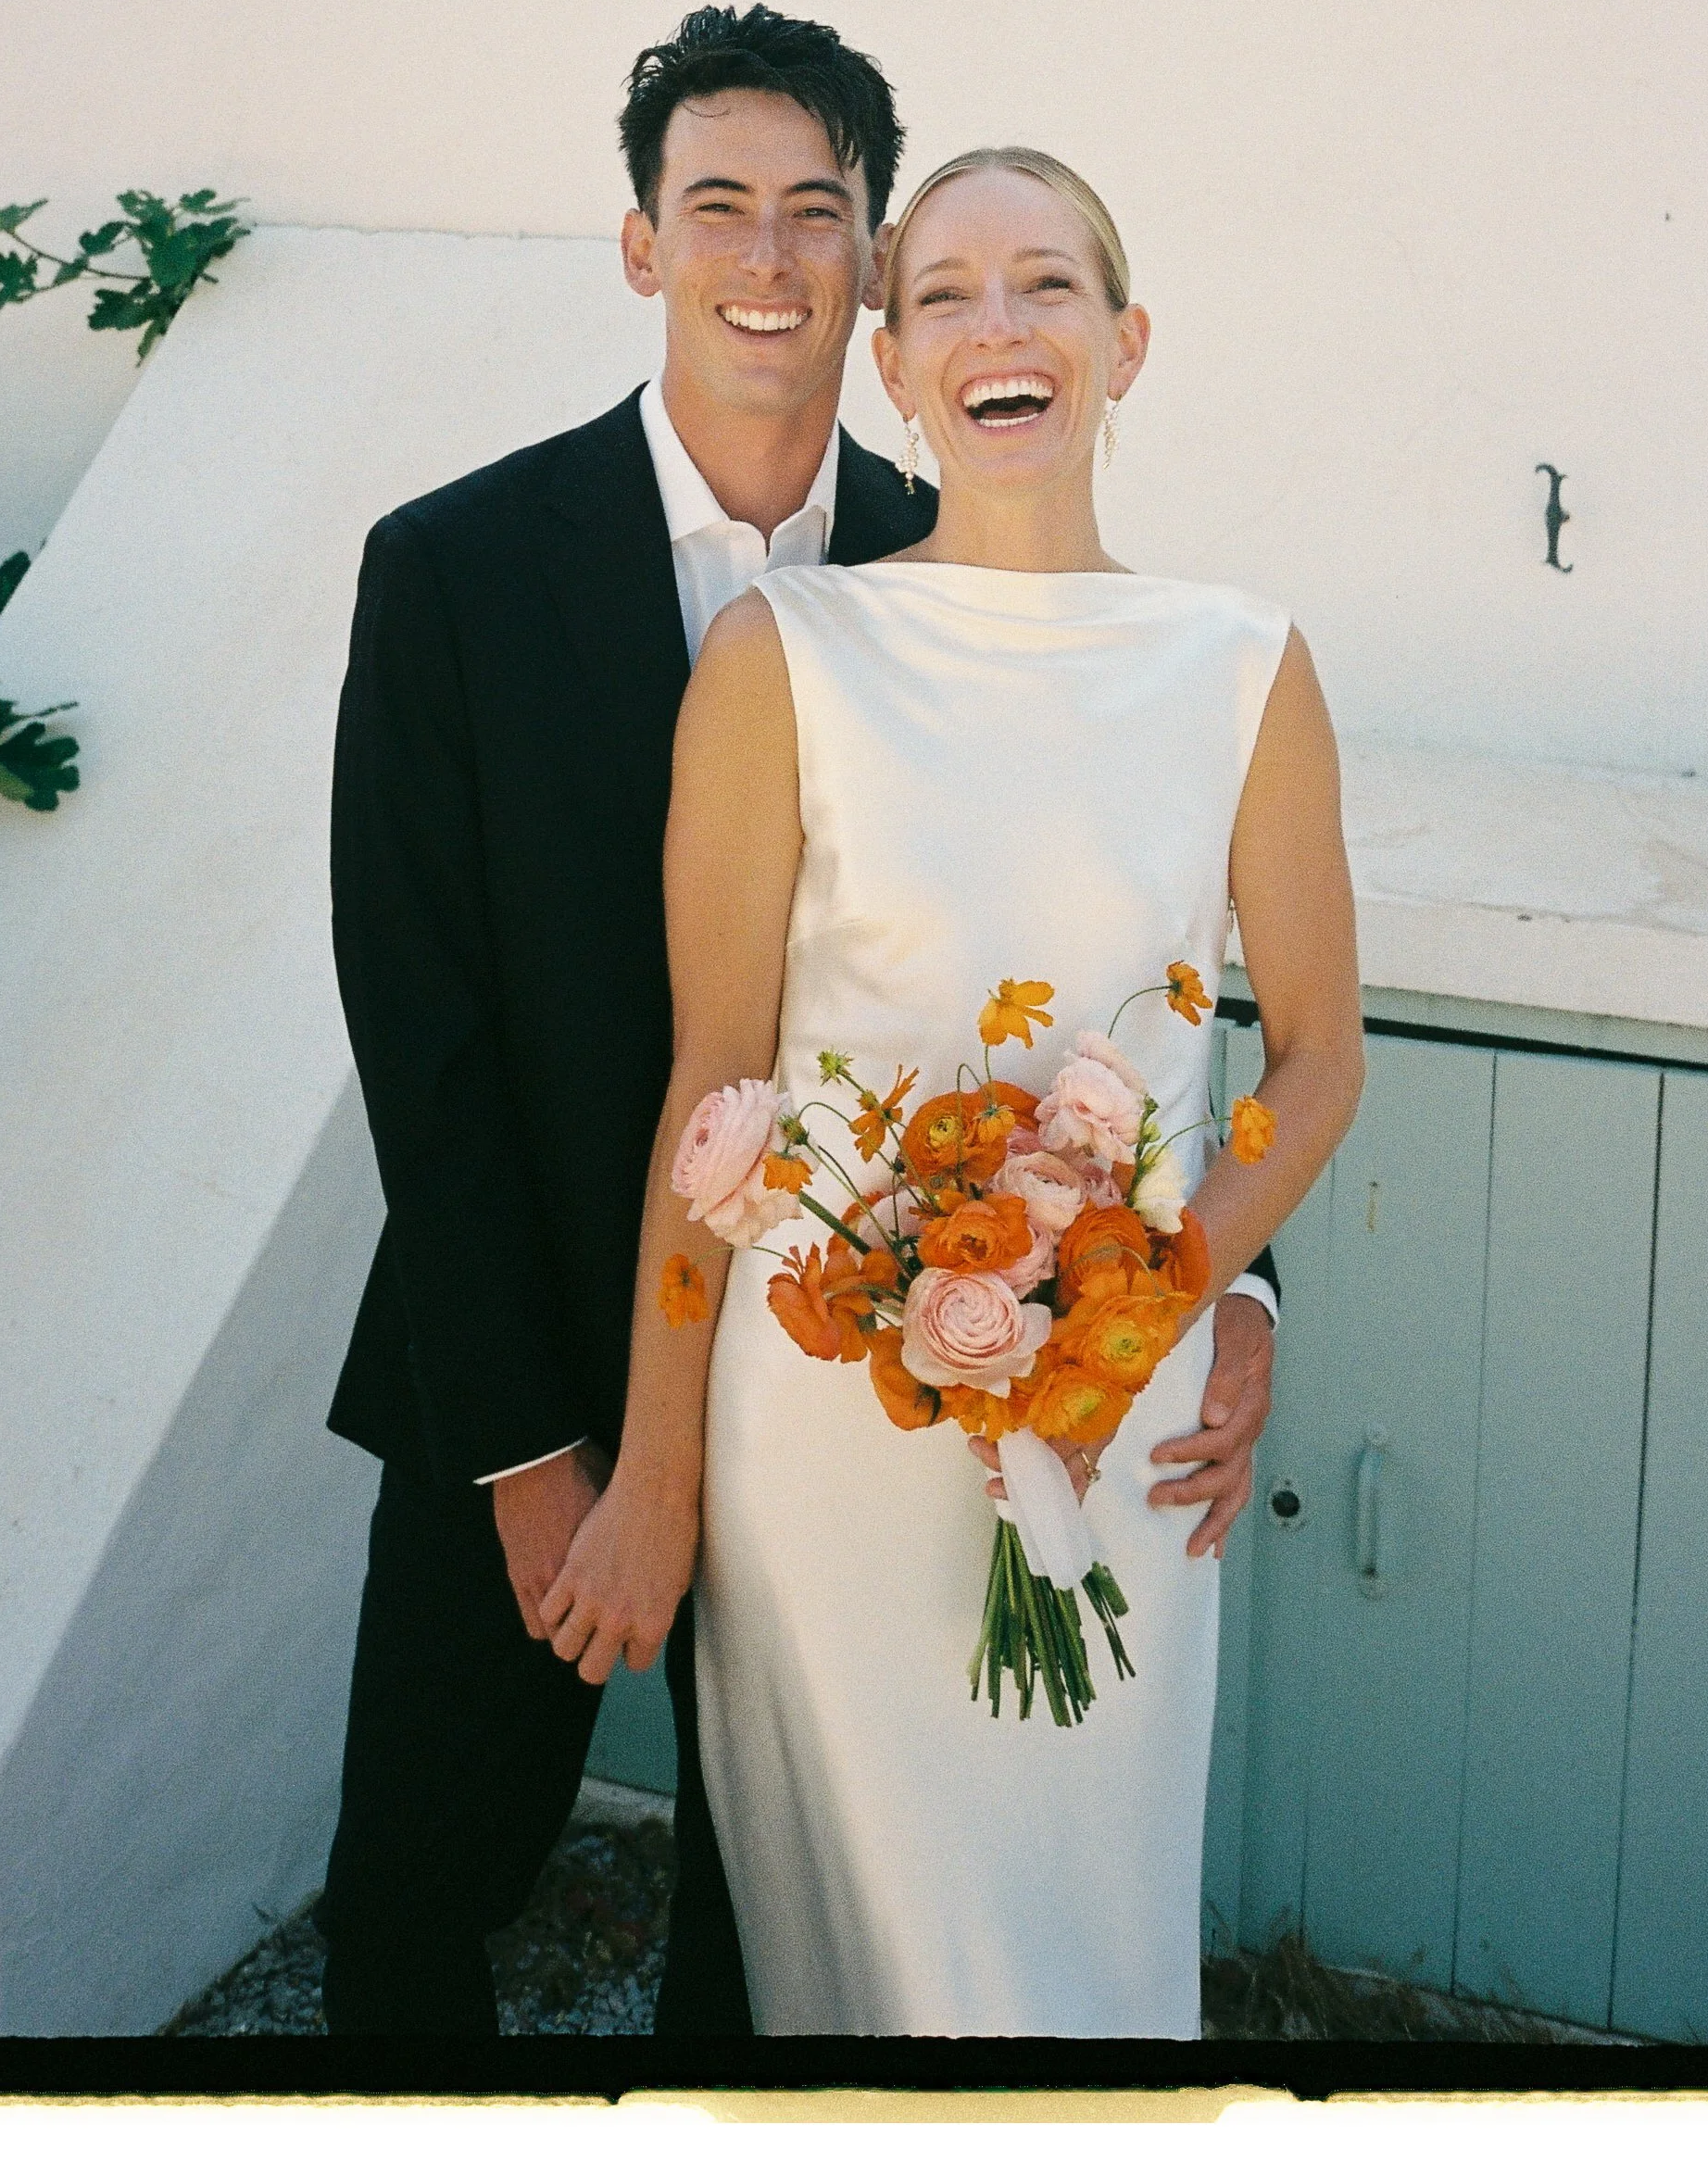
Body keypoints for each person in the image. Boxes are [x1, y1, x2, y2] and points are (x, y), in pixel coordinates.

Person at [317, 20, 1283, 2055]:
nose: (769, 253)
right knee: (421, 1898)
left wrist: (1220, 1281)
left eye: (818, 214)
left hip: (855, 1401)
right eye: (717, 206)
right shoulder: (453, 569)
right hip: (519, 1375)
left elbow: (1127, 947)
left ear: (866, 272)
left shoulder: (972, 559)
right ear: (640, 245)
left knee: (782, 1944)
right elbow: (427, 1045)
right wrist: (527, 1451)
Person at [546, 145, 1364, 2038]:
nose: (998, 325)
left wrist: (1156, 1309)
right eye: (944, 297)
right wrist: (657, 1468)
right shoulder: (784, 656)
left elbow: (1315, 1061)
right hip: (819, 1429)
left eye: (1048, 286)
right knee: (866, 1984)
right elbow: (714, 1083)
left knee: (1080, 1965)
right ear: (895, 368)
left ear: (1127, 342)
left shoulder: (1240, 665)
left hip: (1118, 1424)